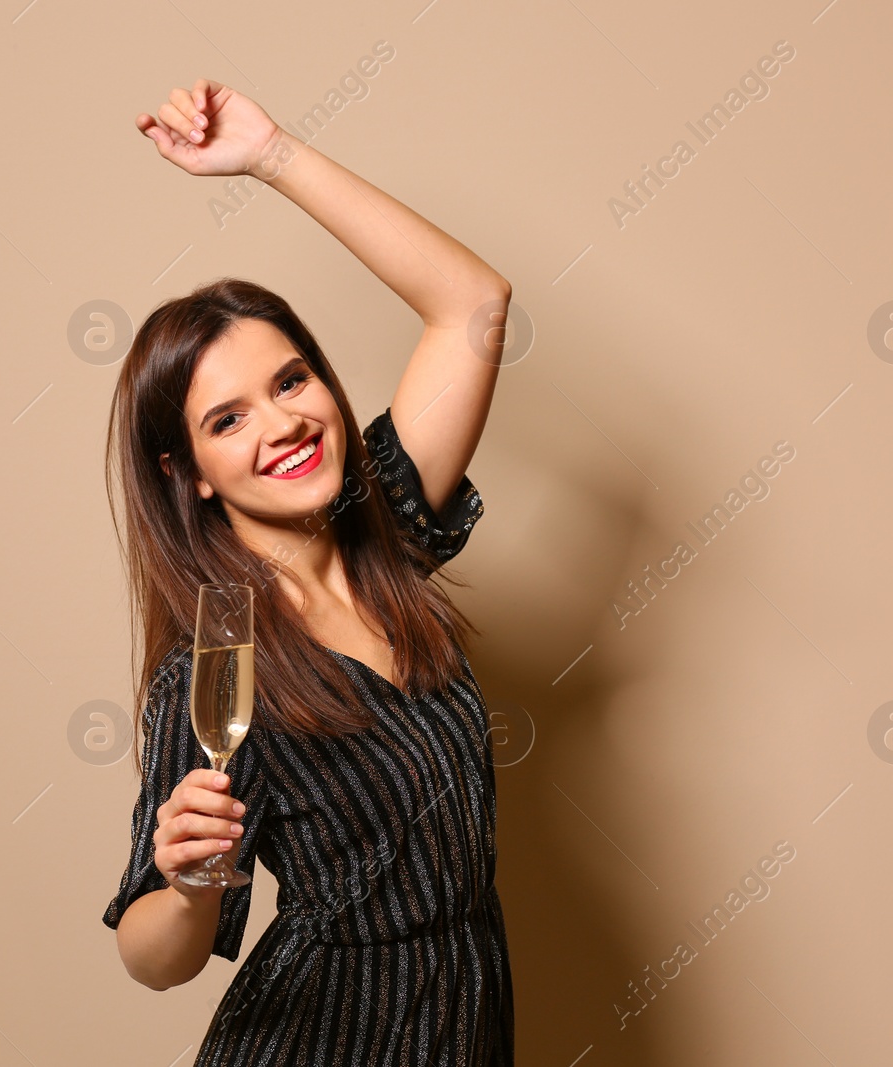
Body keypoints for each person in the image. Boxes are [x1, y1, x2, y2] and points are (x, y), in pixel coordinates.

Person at [101, 77, 514, 1066]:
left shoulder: (388, 532)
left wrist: (270, 155)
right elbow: (152, 955)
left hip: (461, 1015)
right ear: (188, 475)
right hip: (333, 1036)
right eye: (226, 418)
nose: (283, 422)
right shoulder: (219, 669)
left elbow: (474, 305)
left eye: (291, 380)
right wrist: (189, 876)